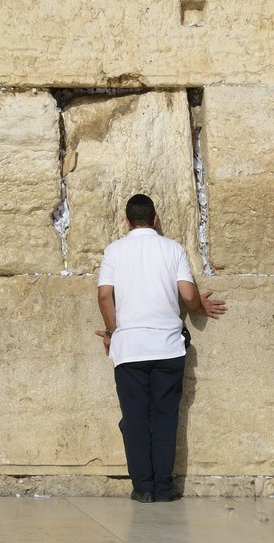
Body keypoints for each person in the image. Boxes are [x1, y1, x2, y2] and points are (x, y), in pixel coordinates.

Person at [96, 193, 228, 503]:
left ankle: (143, 487)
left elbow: (104, 296)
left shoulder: (114, 251)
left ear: (127, 222)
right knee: (166, 417)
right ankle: (165, 488)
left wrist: (114, 332)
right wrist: (199, 306)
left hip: (129, 349)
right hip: (168, 348)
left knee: (136, 417)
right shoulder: (173, 249)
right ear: (155, 220)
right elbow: (187, 293)